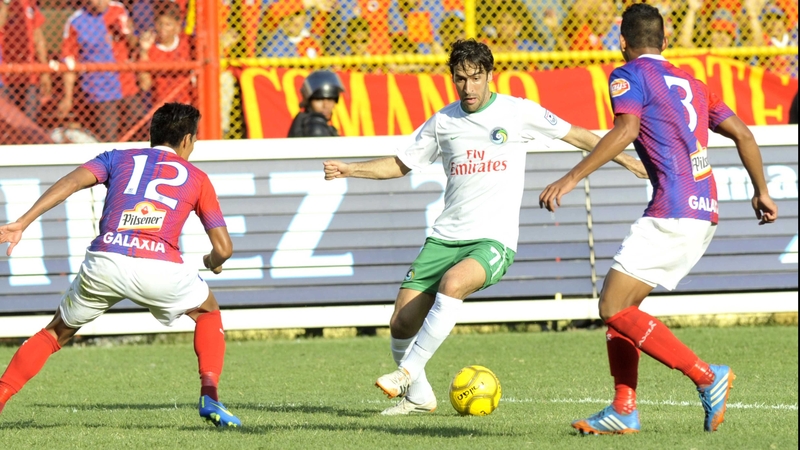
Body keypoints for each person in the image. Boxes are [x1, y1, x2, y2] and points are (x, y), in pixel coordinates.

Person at [323, 39, 646, 416]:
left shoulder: (517, 111)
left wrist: (624, 159)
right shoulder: (443, 122)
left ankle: (407, 372)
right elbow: (400, 164)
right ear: (453, 79)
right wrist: (351, 169)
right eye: (461, 79)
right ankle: (419, 397)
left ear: (489, 75)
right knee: (400, 324)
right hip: (445, 237)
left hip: (493, 239)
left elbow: (575, 134)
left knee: (454, 284)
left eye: (476, 78)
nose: (469, 87)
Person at [538, 3, 779, 435]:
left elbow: (627, 129)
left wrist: (571, 177)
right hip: (705, 210)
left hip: (673, 207)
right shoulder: (694, 82)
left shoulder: (627, 75)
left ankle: (707, 375)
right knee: (623, 307)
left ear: (623, 42)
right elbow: (744, 133)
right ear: (665, 42)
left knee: (611, 306)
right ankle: (623, 408)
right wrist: (761, 191)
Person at [0, 103, 241, 428]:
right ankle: (210, 396)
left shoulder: (116, 158)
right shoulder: (197, 177)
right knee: (208, 312)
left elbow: (70, 183)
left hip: (106, 260)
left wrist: (23, 222)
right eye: (194, 140)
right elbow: (223, 249)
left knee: (55, 332)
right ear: (186, 140)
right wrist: (211, 263)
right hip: (160, 266)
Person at [59, 0, 144, 142]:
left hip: (126, 85)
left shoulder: (118, 10)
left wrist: (128, 32)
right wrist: (68, 97)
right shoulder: (75, 21)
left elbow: (133, 44)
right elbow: (69, 62)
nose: (100, 3)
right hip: (100, 90)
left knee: (141, 128)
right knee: (109, 138)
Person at [0, 0, 52, 121]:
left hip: (29, 75)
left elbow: (38, 37)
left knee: (29, 121)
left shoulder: (30, 4)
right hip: (5, 76)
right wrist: (6, 4)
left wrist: (44, 71)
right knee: (8, 121)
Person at [138, 2, 194, 107]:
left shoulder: (186, 42)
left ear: (177, 25)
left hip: (186, 105)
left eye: (168, 24)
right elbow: (145, 85)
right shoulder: (151, 48)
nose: (163, 28)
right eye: (160, 23)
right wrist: (144, 52)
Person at [288, 70, 344, 137]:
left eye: (330, 99)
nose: (325, 105)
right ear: (308, 100)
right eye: (319, 99)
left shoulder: (303, 120)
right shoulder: (313, 125)